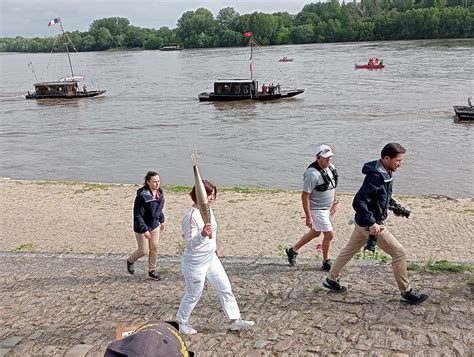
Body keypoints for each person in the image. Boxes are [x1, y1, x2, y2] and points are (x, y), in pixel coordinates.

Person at [323, 143, 429, 305]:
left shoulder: (385, 172)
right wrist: (372, 222)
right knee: (399, 253)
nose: (400, 164)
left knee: (349, 250)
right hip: (369, 225)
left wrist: (395, 207)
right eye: (398, 160)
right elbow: (358, 201)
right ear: (386, 158)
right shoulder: (376, 176)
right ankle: (406, 292)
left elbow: (382, 196)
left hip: (361, 222)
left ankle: (331, 279)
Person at [176, 180, 255, 335]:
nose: (212, 198)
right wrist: (203, 234)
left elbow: (213, 232)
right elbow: (190, 244)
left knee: (225, 287)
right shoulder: (191, 216)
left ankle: (235, 320)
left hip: (210, 258)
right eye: (208, 194)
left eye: (213, 194)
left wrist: (214, 246)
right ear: (198, 195)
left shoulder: (208, 210)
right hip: (195, 263)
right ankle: (181, 322)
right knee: (193, 294)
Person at [285, 144, 339, 271]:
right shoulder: (312, 174)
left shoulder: (331, 168)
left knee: (315, 232)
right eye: (325, 158)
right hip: (317, 209)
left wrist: (335, 202)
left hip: (327, 208)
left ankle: (293, 250)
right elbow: (305, 196)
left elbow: (333, 186)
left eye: (330, 157)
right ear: (318, 157)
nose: (328, 160)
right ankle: (326, 261)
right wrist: (308, 216)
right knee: (330, 235)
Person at [126, 171, 166, 280]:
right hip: (141, 227)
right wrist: (145, 230)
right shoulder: (142, 196)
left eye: (158, 181)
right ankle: (130, 261)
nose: (157, 184)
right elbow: (138, 215)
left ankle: (152, 270)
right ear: (148, 182)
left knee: (155, 247)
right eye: (154, 182)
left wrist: (162, 220)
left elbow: (159, 209)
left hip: (154, 225)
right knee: (143, 251)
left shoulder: (160, 193)